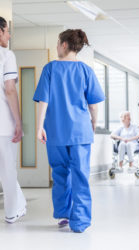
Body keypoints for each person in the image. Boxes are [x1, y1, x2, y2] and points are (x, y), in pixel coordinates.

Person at [33, 29, 105, 233]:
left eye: (57, 43)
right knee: (80, 175)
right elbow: (93, 104)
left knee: (60, 173)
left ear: (64, 45)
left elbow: (43, 100)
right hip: (80, 132)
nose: (56, 46)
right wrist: (93, 123)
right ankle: (80, 221)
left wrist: (39, 128)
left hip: (55, 131)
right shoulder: (85, 71)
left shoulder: (50, 69)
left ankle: (64, 213)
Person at [0, 16, 26, 223]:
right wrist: (18, 122)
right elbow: (10, 89)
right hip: (3, 125)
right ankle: (10, 214)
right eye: (7, 31)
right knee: (8, 169)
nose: (9, 35)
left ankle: (19, 204)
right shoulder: (6, 55)